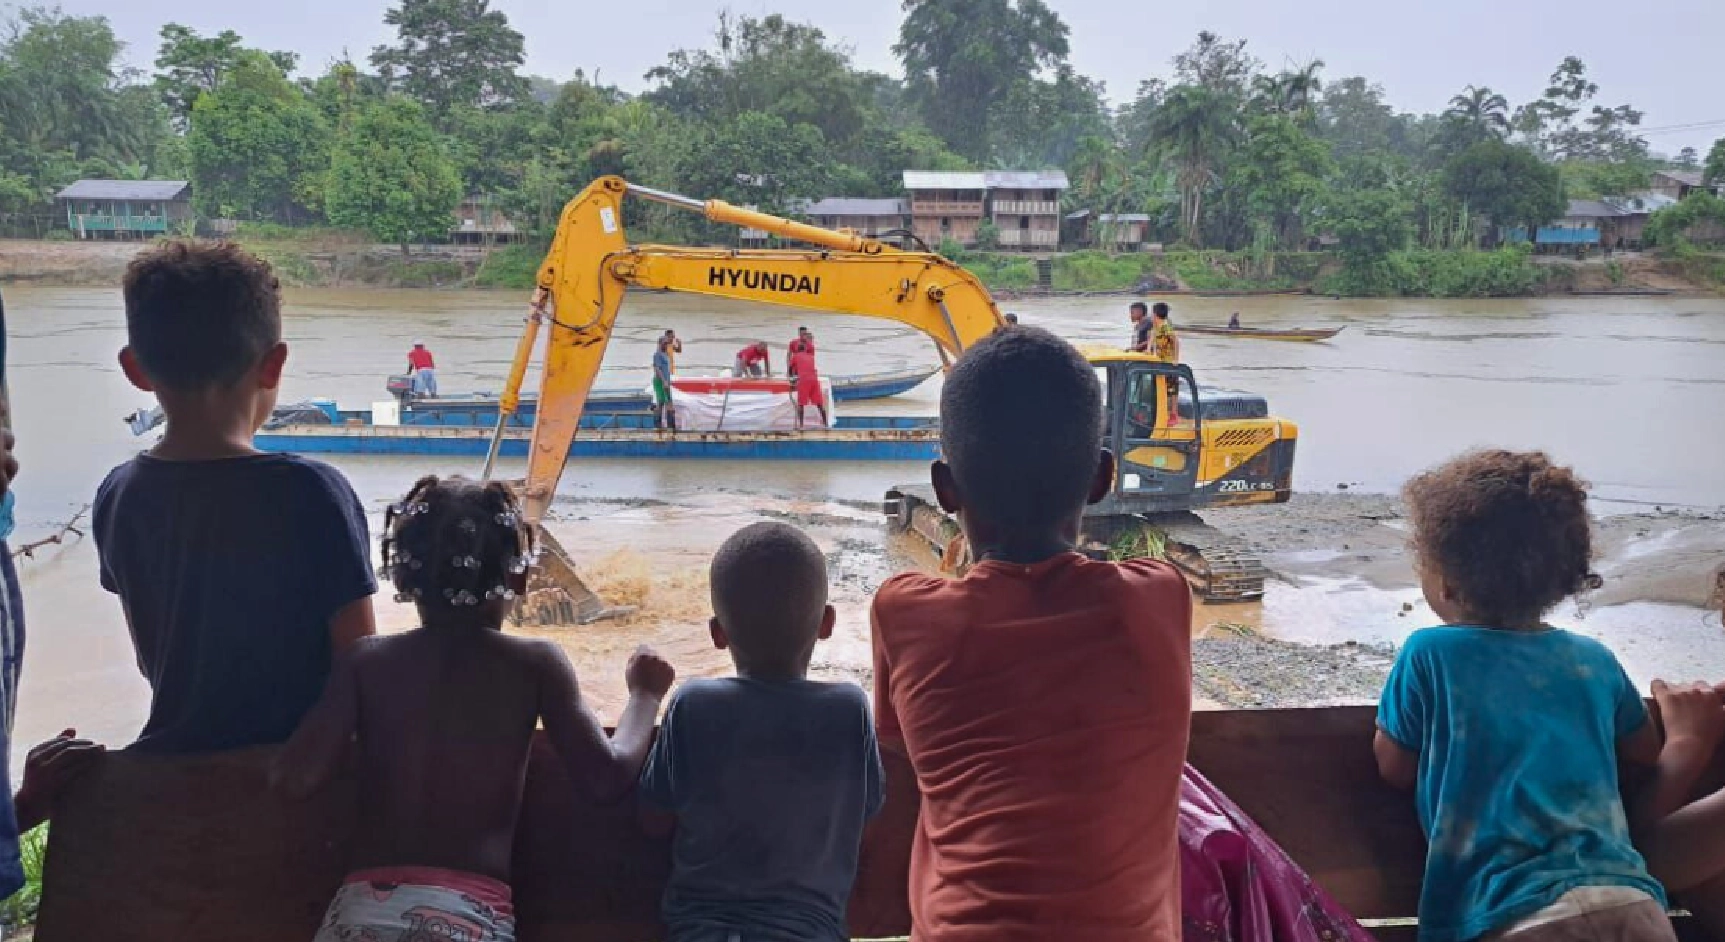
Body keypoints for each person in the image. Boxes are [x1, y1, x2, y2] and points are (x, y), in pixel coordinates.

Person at [871, 326, 1193, 940]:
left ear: (944, 490)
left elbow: (895, 742)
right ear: (1101, 479)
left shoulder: (905, 613)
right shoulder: (1161, 598)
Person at [274, 475, 675, 942]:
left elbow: (295, 778)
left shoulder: (365, 662)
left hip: (360, 916)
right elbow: (605, 777)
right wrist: (645, 697)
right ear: (521, 576)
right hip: (467, 920)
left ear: (400, 578)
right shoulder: (535, 665)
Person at [1375, 450, 1672, 942]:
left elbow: (1394, 766)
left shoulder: (1429, 652)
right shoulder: (1592, 660)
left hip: (1508, 912)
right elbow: (1644, 753)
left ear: (1444, 584)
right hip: (1630, 901)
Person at [94, 241, 378, 753]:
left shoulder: (119, 496)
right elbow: (360, 663)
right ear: (274, 366)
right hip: (299, 766)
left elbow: (149, 658)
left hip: (176, 762)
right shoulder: (314, 493)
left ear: (135, 369)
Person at [639, 521, 882, 942]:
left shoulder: (692, 704)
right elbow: (868, 814)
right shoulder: (849, 710)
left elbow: (652, 820)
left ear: (717, 634)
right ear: (827, 623)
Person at [787, 336, 826, 430]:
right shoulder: (811, 356)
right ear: (805, 350)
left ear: (797, 351)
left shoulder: (795, 356)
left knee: (801, 404)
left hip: (804, 381)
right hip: (814, 380)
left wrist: (792, 379)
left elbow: (790, 368)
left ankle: (801, 426)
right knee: (819, 404)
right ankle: (826, 424)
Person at [653, 335, 677, 432]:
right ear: (660, 344)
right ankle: (658, 425)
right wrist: (664, 381)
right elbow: (657, 369)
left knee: (668, 402)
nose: (666, 345)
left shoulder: (666, 354)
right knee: (661, 403)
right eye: (664, 343)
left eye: (667, 343)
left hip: (666, 381)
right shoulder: (657, 355)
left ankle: (670, 425)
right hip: (660, 381)